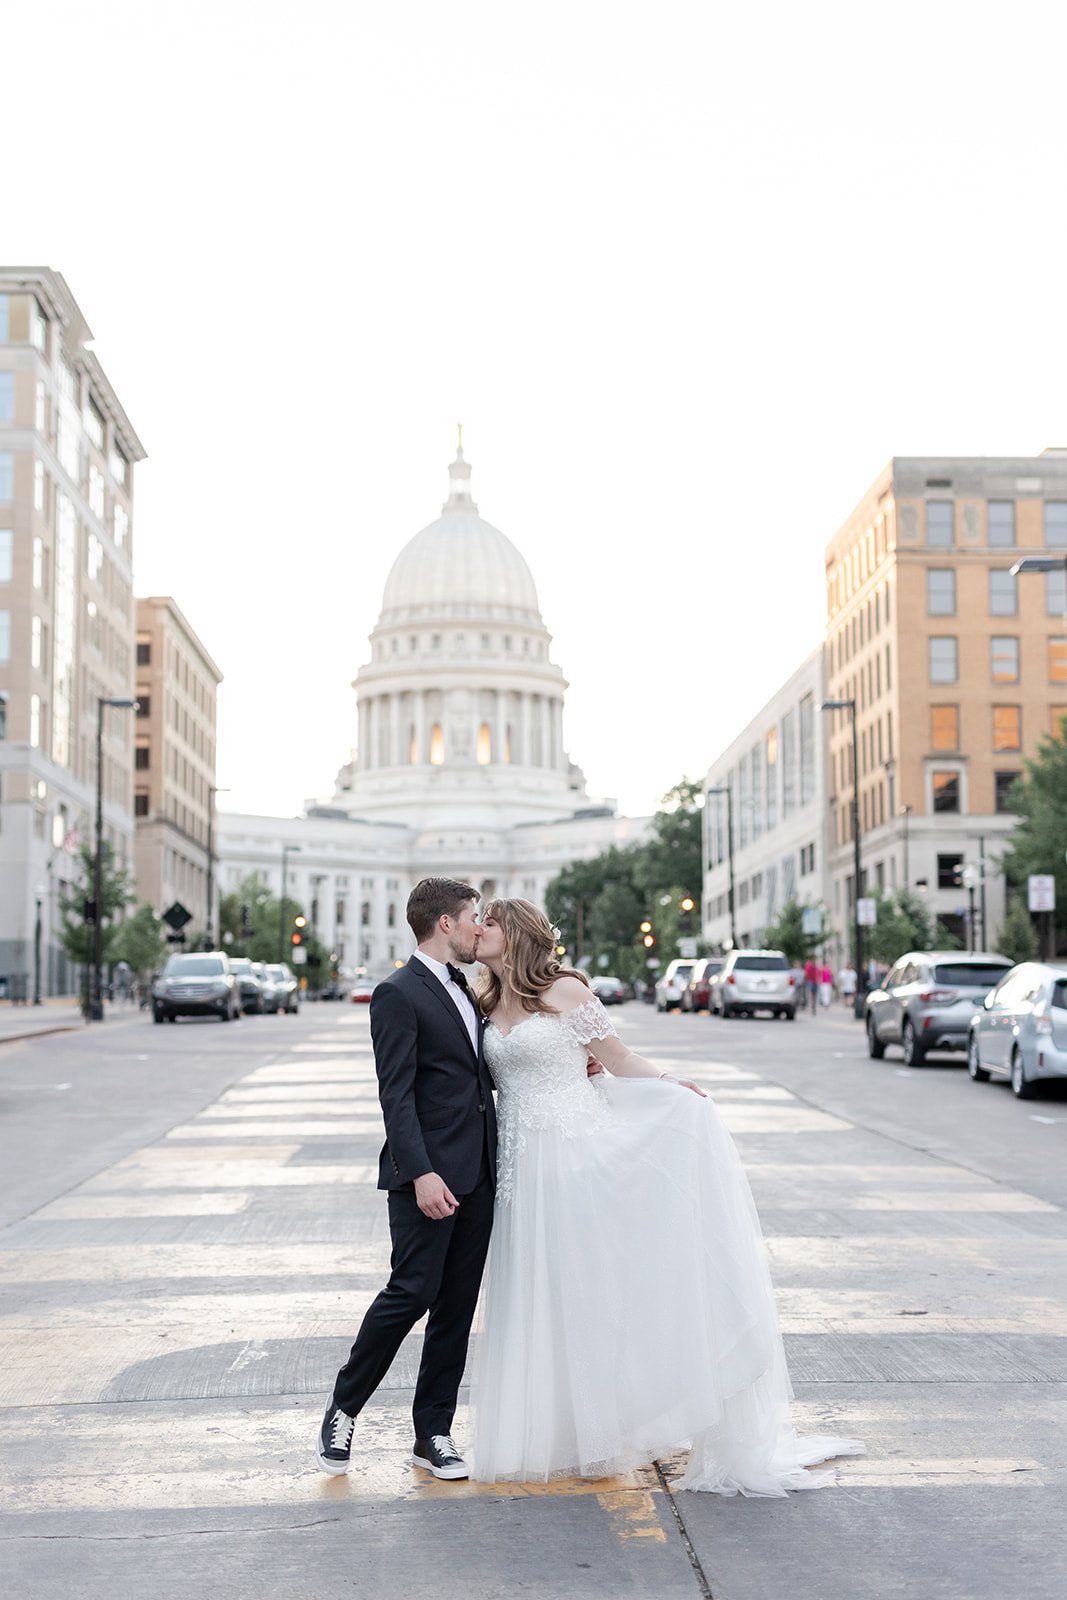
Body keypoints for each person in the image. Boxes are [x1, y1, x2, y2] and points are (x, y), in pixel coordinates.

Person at [469, 898, 863, 1494]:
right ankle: (558, 1432)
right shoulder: (483, 1001)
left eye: (489, 923)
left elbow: (617, 1057)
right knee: (536, 1289)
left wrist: (670, 1084)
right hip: (521, 1164)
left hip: (578, 1154)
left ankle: (615, 1424)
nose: (479, 931)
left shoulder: (567, 991)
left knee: (588, 1288)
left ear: (515, 933)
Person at [315, 877, 498, 1480]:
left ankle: (434, 1433)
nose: (479, 926)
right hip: (426, 1174)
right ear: (445, 923)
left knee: (457, 1305)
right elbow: (395, 1096)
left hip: (479, 1173)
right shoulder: (397, 992)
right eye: (473, 916)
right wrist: (419, 1172)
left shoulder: (468, 989)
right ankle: (344, 1407)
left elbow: (470, 1079)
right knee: (412, 1291)